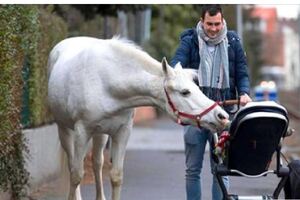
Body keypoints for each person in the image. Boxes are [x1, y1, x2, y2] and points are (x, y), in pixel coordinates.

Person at [170, 5, 252, 200]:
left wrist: (245, 93)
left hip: (223, 115)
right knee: (192, 170)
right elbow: (176, 67)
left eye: (217, 24)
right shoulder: (189, 41)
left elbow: (241, 72)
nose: (214, 28)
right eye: (209, 24)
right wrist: (179, 74)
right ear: (201, 21)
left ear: (222, 21)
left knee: (221, 170)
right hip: (196, 116)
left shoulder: (233, 42)